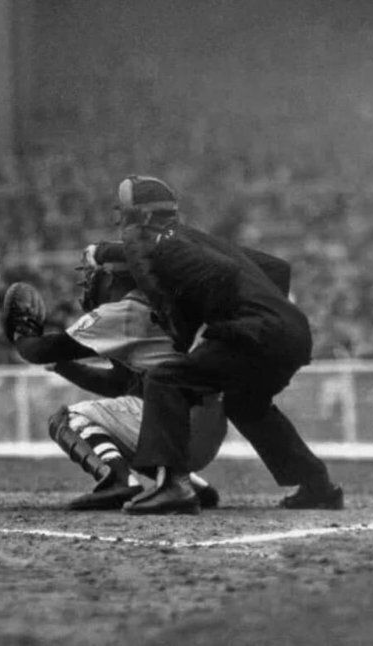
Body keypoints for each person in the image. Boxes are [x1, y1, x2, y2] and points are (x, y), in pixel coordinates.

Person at [114, 175, 342, 515]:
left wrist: (202, 327)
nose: (120, 220)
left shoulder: (162, 245)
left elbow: (219, 275)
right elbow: (277, 268)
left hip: (257, 331)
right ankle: (317, 485)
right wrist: (266, 315)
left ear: (142, 216)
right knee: (245, 402)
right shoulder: (200, 239)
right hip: (291, 329)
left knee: (165, 379)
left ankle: (173, 485)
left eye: (123, 213)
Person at [7, 243, 225, 510]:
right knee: (127, 416)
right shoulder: (166, 306)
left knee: (68, 418)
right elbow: (119, 385)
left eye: (92, 274)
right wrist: (66, 367)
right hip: (207, 426)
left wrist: (21, 334)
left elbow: (39, 350)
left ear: (111, 276)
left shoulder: (125, 311)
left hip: (177, 424)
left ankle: (117, 480)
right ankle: (186, 483)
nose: (88, 282)